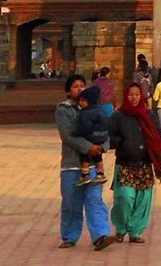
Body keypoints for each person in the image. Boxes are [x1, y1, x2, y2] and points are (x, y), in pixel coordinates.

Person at [55, 74, 116, 251]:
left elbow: (104, 130)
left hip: (93, 166)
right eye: (75, 86)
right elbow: (67, 135)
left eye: (82, 85)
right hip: (72, 164)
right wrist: (89, 148)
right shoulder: (64, 110)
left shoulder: (96, 108)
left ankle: (100, 236)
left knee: (94, 199)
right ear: (68, 90)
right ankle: (69, 236)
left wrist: (103, 147)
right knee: (71, 203)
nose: (80, 88)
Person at [108, 81, 161, 243]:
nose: (134, 98)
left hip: (144, 164)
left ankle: (135, 231)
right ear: (126, 96)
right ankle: (121, 228)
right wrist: (122, 142)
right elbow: (109, 137)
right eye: (130, 95)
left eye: (137, 95)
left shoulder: (149, 115)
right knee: (124, 198)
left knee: (143, 200)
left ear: (141, 96)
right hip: (125, 163)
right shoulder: (118, 116)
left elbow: (158, 134)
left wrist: (151, 141)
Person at [73, 86, 109, 186]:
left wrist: (76, 132)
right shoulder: (101, 111)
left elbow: (85, 127)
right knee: (98, 156)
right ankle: (100, 174)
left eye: (83, 101)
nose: (80, 103)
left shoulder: (85, 113)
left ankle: (85, 175)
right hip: (102, 137)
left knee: (85, 154)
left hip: (92, 137)